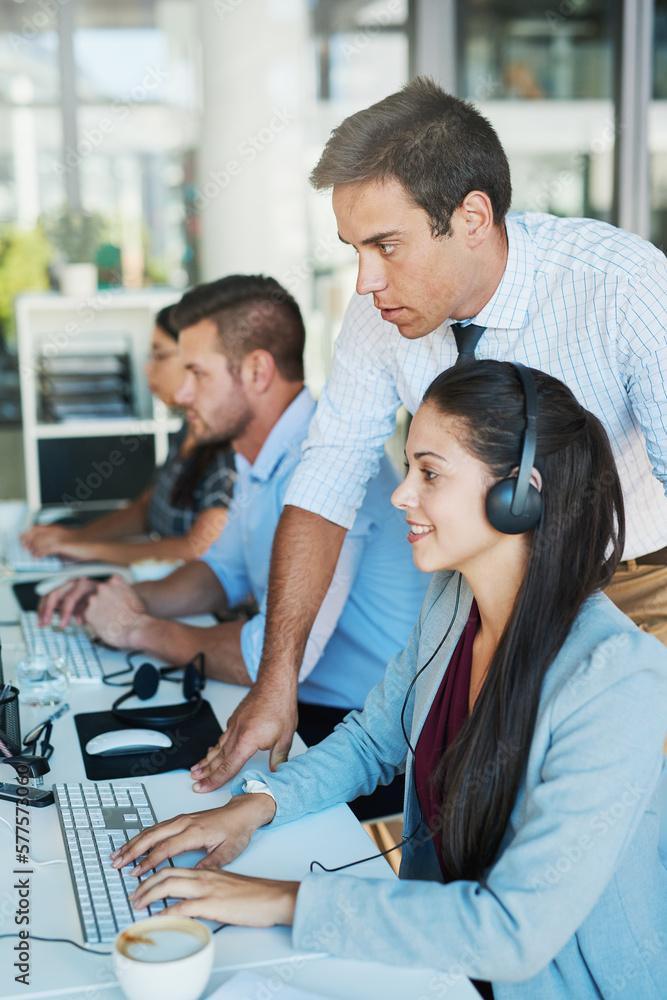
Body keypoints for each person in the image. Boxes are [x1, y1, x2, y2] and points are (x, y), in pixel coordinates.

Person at [109, 361, 667, 999]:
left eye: (429, 473)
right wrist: (253, 807)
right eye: (409, 468)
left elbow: (514, 932)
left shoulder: (617, 677)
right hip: (431, 959)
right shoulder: (452, 601)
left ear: (520, 494)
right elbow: (376, 738)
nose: (402, 494)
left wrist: (276, 901)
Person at [196, 75, 667, 791]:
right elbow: (326, 481)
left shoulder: (620, 284)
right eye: (354, 248)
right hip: (480, 589)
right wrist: (275, 681)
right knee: (470, 807)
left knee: (612, 819)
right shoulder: (377, 317)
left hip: (632, 589)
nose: (364, 281)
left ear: (472, 217)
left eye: (386, 245)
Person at [40, 274, 429, 818]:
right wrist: (128, 596)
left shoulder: (330, 465)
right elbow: (219, 572)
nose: (181, 393)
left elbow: (264, 663)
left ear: (257, 370)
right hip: (313, 705)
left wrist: (138, 630)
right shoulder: (258, 455)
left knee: (152, 804)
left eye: (197, 373)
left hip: (364, 734)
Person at [21, 305, 236, 567]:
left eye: (159, 356)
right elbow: (146, 509)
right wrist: (78, 538)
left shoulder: (229, 450)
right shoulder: (187, 429)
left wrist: (91, 550)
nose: (147, 369)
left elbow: (198, 549)